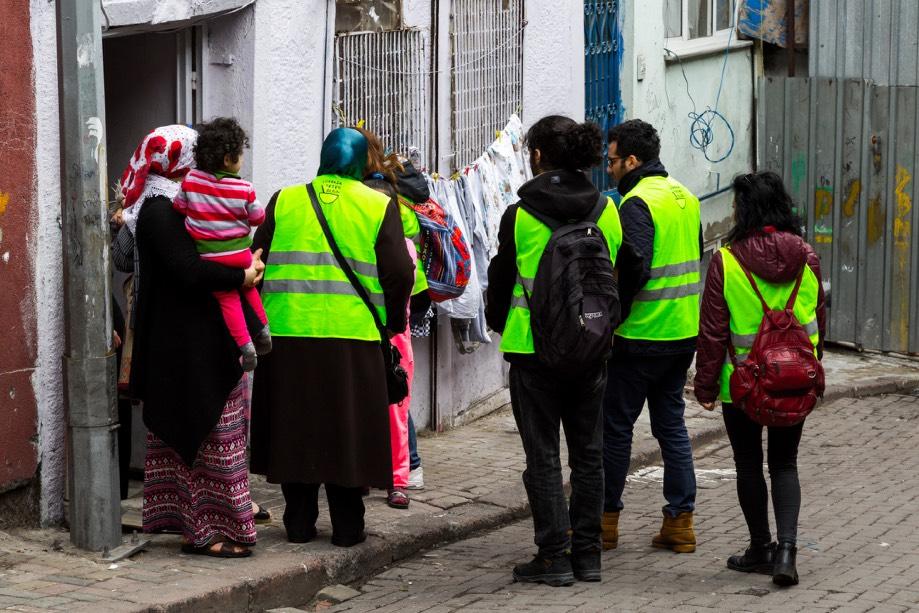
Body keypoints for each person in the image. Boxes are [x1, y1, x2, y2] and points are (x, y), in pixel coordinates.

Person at [487, 115, 640, 586]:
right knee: (589, 455)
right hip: (592, 350)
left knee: (544, 456)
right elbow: (629, 271)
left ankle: (553, 555)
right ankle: (589, 555)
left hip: (533, 354)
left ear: (536, 157)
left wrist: (501, 324)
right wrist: (608, 324)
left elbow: (500, 281)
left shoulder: (519, 215)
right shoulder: (606, 209)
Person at [249, 128, 414, 547]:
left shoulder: (284, 200)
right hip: (353, 338)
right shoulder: (378, 205)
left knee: (294, 426)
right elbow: (399, 272)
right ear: (362, 163)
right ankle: (347, 527)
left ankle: (299, 523)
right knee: (348, 431)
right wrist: (391, 323)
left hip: (287, 336)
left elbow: (258, 260)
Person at [124, 125, 263, 558]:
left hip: (203, 343)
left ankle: (203, 526)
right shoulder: (159, 211)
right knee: (205, 438)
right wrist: (240, 276)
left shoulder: (187, 204)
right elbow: (189, 269)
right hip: (181, 350)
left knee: (217, 435)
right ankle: (204, 531)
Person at [694, 171, 825, 586]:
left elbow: (713, 331)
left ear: (745, 209)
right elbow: (818, 317)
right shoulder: (807, 256)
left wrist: (707, 385)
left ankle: (760, 548)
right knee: (784, 463)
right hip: (794, 379)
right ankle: (787, 551)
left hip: (744, 384)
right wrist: (812, 369)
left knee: (748, 465)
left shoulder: (726, 260)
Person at [601, 119, 703, 554]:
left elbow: (636, 266)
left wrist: (613, 316)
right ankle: (680, 524)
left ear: (632, 161)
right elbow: (696, 255)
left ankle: (604, 523)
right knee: (672, 428)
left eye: (612, 161)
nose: (608, 169)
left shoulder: (637, 203)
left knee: (616, 430)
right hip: (682, 334)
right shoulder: (686, 196)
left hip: (640, 335)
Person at [173, 117, 271, 372]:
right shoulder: (244, 188)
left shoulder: (191, 180)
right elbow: (258, 218)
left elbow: (179, 207)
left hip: (210, 257)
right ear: (228, 159)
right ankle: (263, 329)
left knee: (228, 298)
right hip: (240, 254)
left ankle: (246, 346)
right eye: (240, 155)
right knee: (249, 288)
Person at [357, 126, 421, 510]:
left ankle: (399, 479)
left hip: (394, 339)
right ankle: (371, 475)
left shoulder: (404, 250)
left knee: (396, 412)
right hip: (377, 335)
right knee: (370, 409)